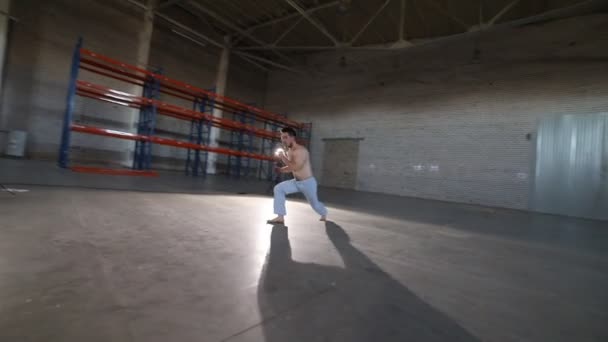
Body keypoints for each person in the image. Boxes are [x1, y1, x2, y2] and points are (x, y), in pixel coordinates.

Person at [267, 127, 327, 225]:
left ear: (292, 138)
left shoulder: (301, 151)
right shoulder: (289, 151)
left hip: (308, 183)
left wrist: (283, 158)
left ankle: (324, 213)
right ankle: (280, 217)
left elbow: (296, 167)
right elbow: (290, 167)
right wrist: (281, 170)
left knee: (315, 204)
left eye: (285, 137)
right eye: (282, 137)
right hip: (296, 182)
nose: (283, 140)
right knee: (279, 188)